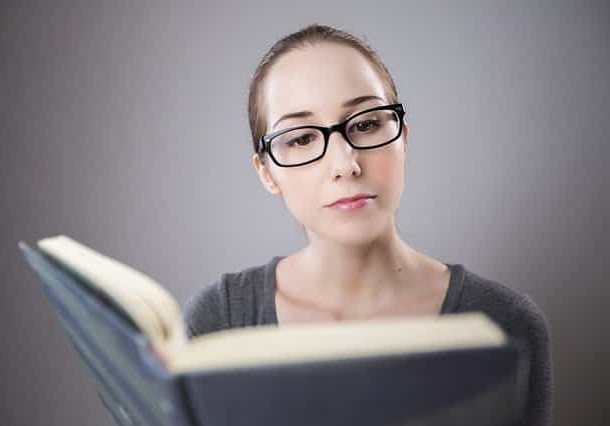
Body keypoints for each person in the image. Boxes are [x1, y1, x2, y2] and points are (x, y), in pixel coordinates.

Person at [183, 23, 553, 426]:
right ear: (267, 172)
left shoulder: (504, 323)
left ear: (403, 139)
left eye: (365, 124)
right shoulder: (219, 321)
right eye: (302, 138)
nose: (345, 164)